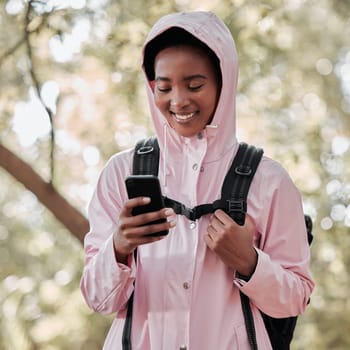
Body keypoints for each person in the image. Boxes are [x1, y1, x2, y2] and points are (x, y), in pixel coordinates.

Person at [80, 11, 314, 350]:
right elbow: (98, 300)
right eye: (164, 87)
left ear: (224, 81)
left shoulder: (270, 181)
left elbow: (296, 298)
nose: (178, 101)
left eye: (194, 85)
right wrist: (118, 247)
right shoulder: (121, 172)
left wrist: (249, 262)